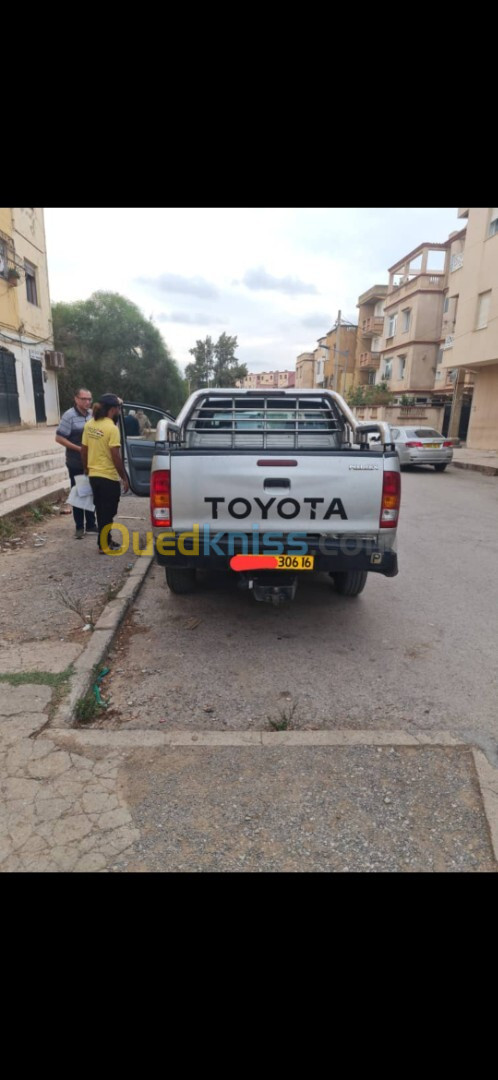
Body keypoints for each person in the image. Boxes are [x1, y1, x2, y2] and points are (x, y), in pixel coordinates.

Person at [81, 394, 129, 554]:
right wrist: (124, 477)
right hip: (108, 477)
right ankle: (104, 544)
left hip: (94, 476)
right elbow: (115, 455)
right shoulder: (112, 428)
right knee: (109, 511)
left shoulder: (90, 425)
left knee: (101, 510)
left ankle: (105, 540)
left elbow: (84, 449)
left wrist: (86, 469)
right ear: (113, 410)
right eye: (118, 409)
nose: (119, 412)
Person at [55, 388, 97, 539]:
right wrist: (79, 449)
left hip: (92, 462)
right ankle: (79, 527)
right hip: (76, 461)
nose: (87, 402)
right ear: (76, 399)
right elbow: (59, 438)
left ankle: (91, 524)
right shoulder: (69, 416)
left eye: (89, 399)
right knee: (79, 492)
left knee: (91, 492)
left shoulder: (93, 415)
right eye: (84, 399)